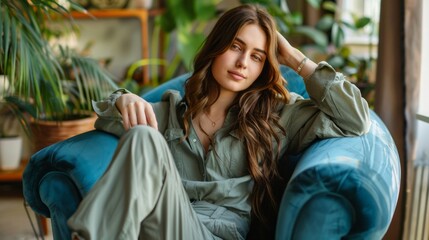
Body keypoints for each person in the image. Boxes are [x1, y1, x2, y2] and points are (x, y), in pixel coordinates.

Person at [67, 4, 370, 240]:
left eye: (257, 57)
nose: (242, 63)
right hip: (162, 225)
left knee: (144, 137)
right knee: (143, 136)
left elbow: (354, 119)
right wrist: (123, 98)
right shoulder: (173, 110)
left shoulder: (278, 115)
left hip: (219, 233)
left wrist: (293, 57)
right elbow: (105, 123)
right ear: (217, 47)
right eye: (236, 47)